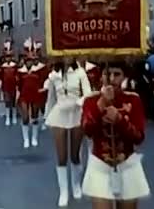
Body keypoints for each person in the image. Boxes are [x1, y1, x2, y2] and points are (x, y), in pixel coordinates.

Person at [81, 61, 150, 208]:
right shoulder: (90, 100)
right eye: (107, 74)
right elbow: (87, 130)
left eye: (117, 74)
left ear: (124, 76)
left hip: (128, 165)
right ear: (101, 77)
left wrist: (120, 120)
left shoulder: (133, 99)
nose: (112, 79)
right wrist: (101, 105)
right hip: (100, 165)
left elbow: (139, 138)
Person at [44, 57, 92, 207]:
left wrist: (80, 101)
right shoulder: (53, 76)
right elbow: (50, 98)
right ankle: (63, 192)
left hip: (77, 113)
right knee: (61, 156)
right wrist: (47, 117)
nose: (67, 57)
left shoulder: (80, 73)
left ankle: (76, 185)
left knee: (75, 155)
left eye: (69, 54)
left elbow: (88, 94)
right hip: (59, 114)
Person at [16, 39, 46, 148]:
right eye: (27, 60)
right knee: (25, 117)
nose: (29, 62)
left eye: (31, 60)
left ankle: (34, 138)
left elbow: (43, 81)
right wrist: (17, 95)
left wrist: (42, 90)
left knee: (34, 117)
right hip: (24, 96)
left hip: (35, 95)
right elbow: (18, 85)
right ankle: (26, 139)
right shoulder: (20, 71)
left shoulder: (38, 70)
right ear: (25, 61)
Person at [0, 40, 18, 126]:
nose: (8, 58)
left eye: (9, 57)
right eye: (7, 57)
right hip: (6, 86)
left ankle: (13, 116)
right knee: (7, 101)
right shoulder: (3, 66)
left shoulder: (15, 65)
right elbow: (0, 76)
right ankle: (7, 117)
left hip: (13, 85)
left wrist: (17, 84)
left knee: (13, 101)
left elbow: (17, 75)